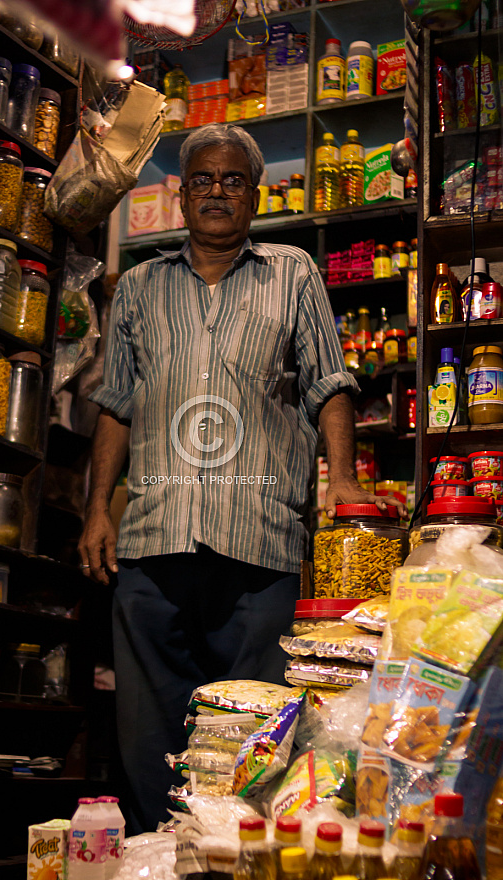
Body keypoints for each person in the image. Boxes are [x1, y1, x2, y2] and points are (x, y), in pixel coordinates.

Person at [79, 123, 405, 833]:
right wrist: (98, 508)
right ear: (182, 194)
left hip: (259, 544)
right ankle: (159, 862)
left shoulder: (292, 272)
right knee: (147, 733)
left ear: (254, 196)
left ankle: (241, 859)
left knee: (259, 734)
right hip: (151, 542)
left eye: (233, 180)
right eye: (203, 179)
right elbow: (116, 404)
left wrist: (342, 480)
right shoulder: (137, 288)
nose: (217, 192)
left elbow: (328, 382)